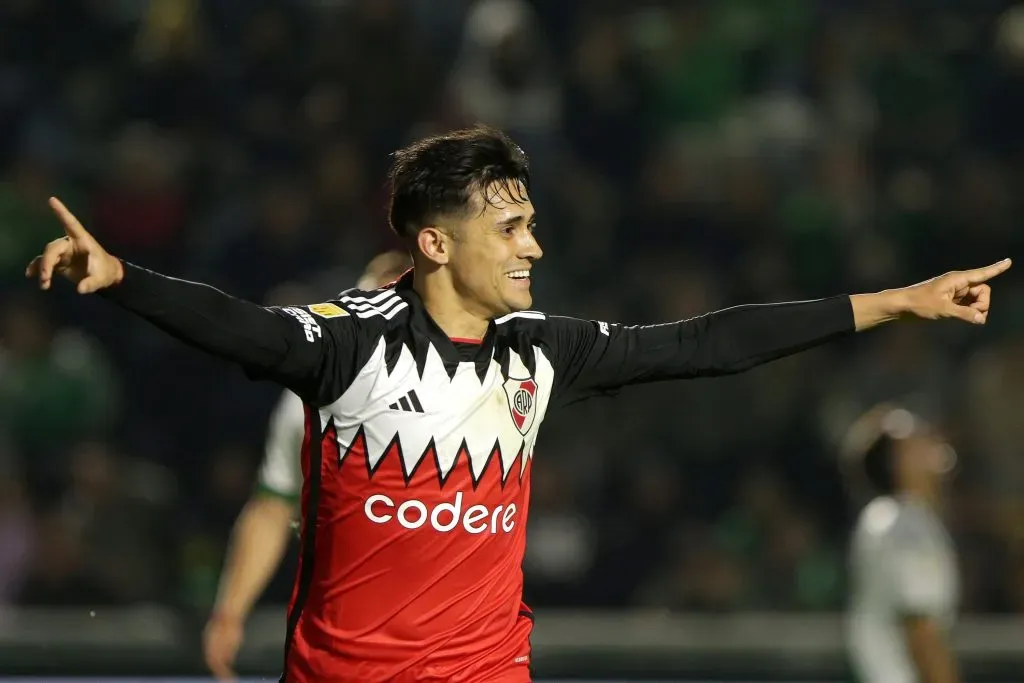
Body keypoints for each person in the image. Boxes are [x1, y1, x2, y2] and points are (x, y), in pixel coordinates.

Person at [25, 126, 1007, 683]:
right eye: (511, 225)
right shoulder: (349, 341)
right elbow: (237, 325)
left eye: (532, 222)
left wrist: (900, 300)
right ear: (438, 243)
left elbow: (710, 343)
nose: (533, 244)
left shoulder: (541, 352)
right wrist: (120, 277)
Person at [202, 250, 412, 682]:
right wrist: (230, 612)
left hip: (456, 621)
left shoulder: (485, 380)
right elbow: (273, 507)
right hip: (348, 624)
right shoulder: (311, 396)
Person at [842, 404, 961, 683]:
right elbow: (923, 634)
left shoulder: (889, 518)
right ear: (899, 461)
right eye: (916, 435)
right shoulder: (905, 526)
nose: (931, 436)